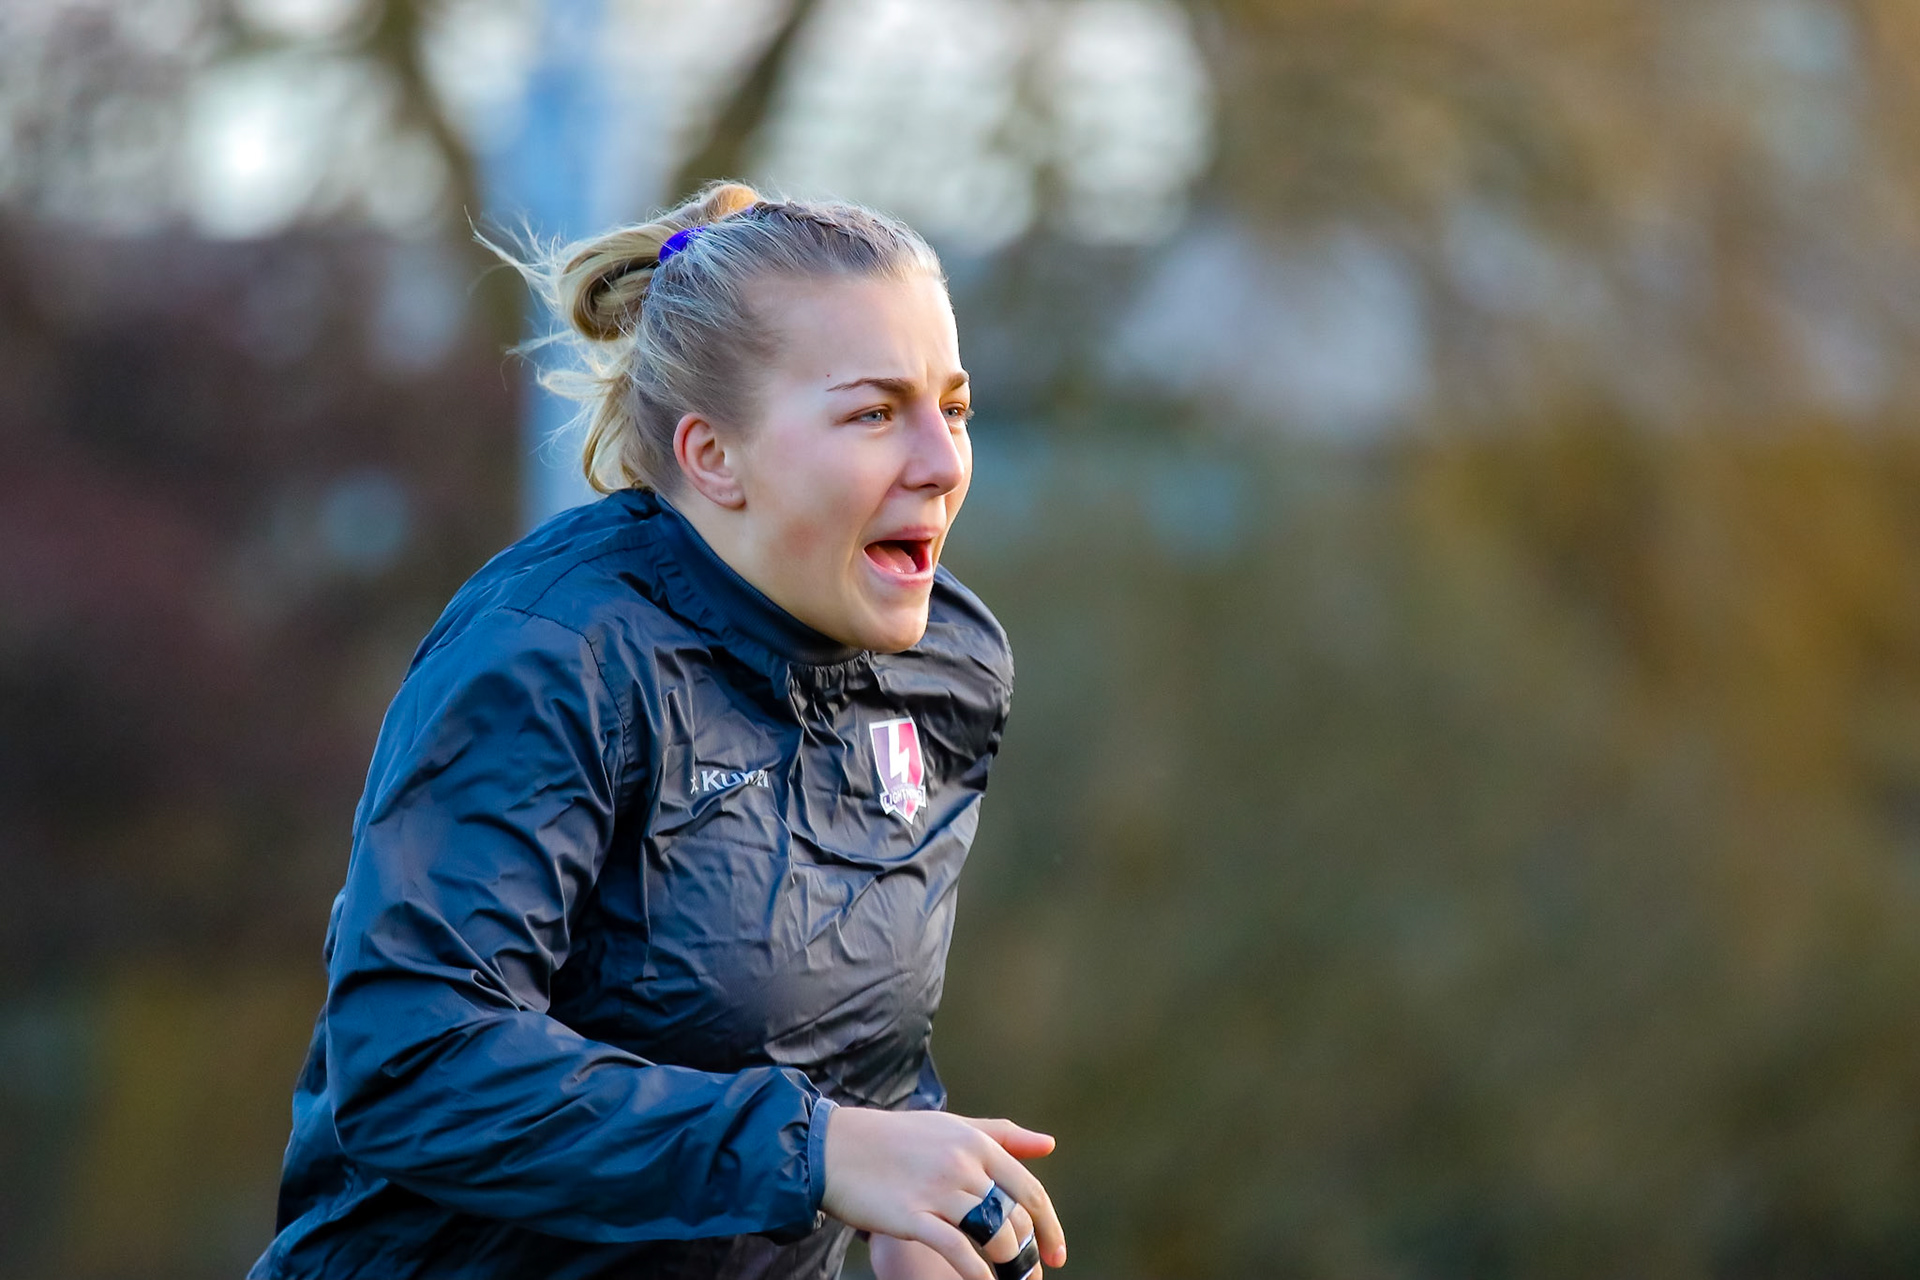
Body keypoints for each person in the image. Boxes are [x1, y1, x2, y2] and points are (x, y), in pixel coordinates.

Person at [248, 180, 1067, 1280]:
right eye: (875, 413)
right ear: (712, 455)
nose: (943, 462)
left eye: (953, 409)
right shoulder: (551, 657)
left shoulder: (946, 667)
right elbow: (413, 1062)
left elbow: (847, 1049)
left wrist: (918, 1214)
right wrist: (822, 1151)